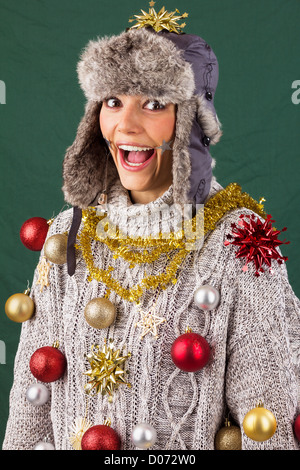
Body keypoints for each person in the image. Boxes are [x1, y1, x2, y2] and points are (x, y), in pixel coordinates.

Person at [3, 6, 299, 451]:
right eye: (113, 100)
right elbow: (30, 416)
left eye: (155, 104)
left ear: (190, 122)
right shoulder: (69, 233)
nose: (125, 124)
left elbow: (267, 427)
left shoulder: (240, 241)